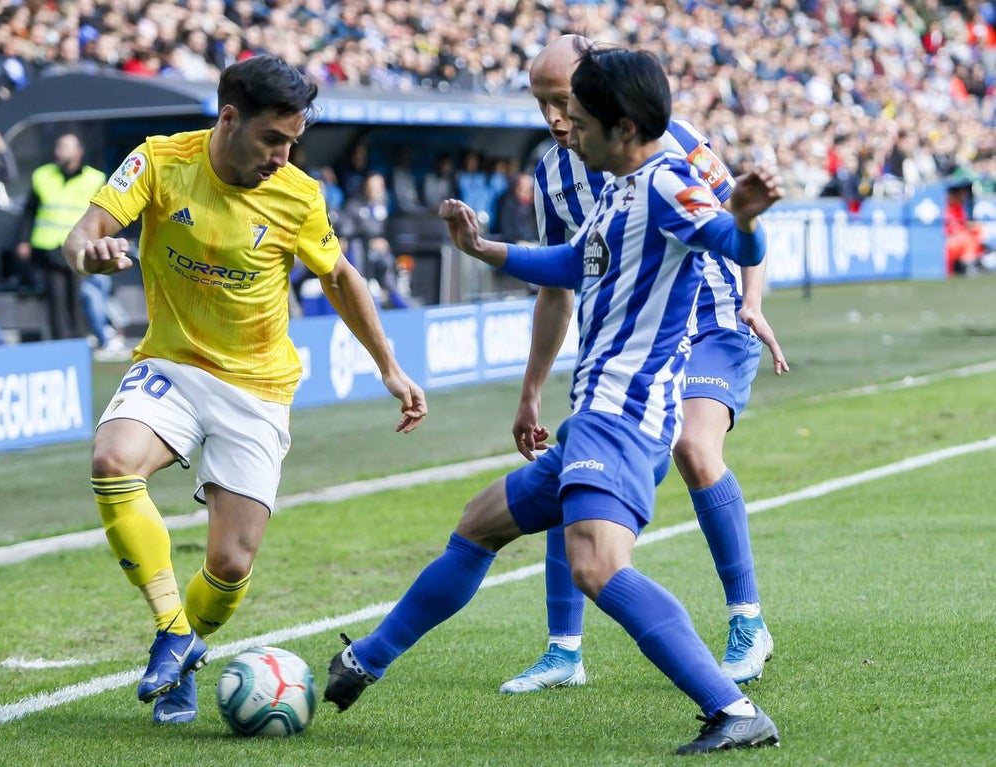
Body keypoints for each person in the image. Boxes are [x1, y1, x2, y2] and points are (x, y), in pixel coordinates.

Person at [324, 46, 783, 755]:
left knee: (597, 564)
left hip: (625, 414)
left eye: (579, 115)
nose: (565, 125)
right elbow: (576, 263)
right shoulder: (617, 185)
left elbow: (730, 239)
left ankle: (733, 707)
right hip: (594, 413)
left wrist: (746, 221)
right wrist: (486, 248)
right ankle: (367, 659)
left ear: (624, 126)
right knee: (480, 522)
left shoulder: (668, 183)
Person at [61, 54, 427, 725]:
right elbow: (83, 233)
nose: (284, 157)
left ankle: (181, 654)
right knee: (112, 459)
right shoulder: (159, 161)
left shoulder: (298, 196)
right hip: (170, 363)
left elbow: (342, 278)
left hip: (257, 385)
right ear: (228, 118)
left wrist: (389, 365)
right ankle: (175, 632)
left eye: (294, 142)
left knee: (229, 564)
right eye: (273, 140)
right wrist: (89, 251)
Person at [500, 34, 788, 697]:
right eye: (541, 103)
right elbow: (558, 288)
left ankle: (748, 621)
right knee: (577, 455)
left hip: (712, 322)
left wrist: (752, 302)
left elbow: (740, 217)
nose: (552, 117)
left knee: (693, 442)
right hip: (628, 350)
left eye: (560, 99)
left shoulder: (675, 139)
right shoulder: (550, 174)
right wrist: (531, 392)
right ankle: (563, 650)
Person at [16, 133, 106, 339]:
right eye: (58, 147)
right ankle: (61, 344)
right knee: (55, 300)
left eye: (65, 147)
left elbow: (102, 214)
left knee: (78, 297)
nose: (59, 152)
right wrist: (23, 240)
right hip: (49, 248)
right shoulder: (42, 175)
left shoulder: (95, 178)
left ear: (78, 152)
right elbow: (29, 211)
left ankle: (79, 340)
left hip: (80, 247)